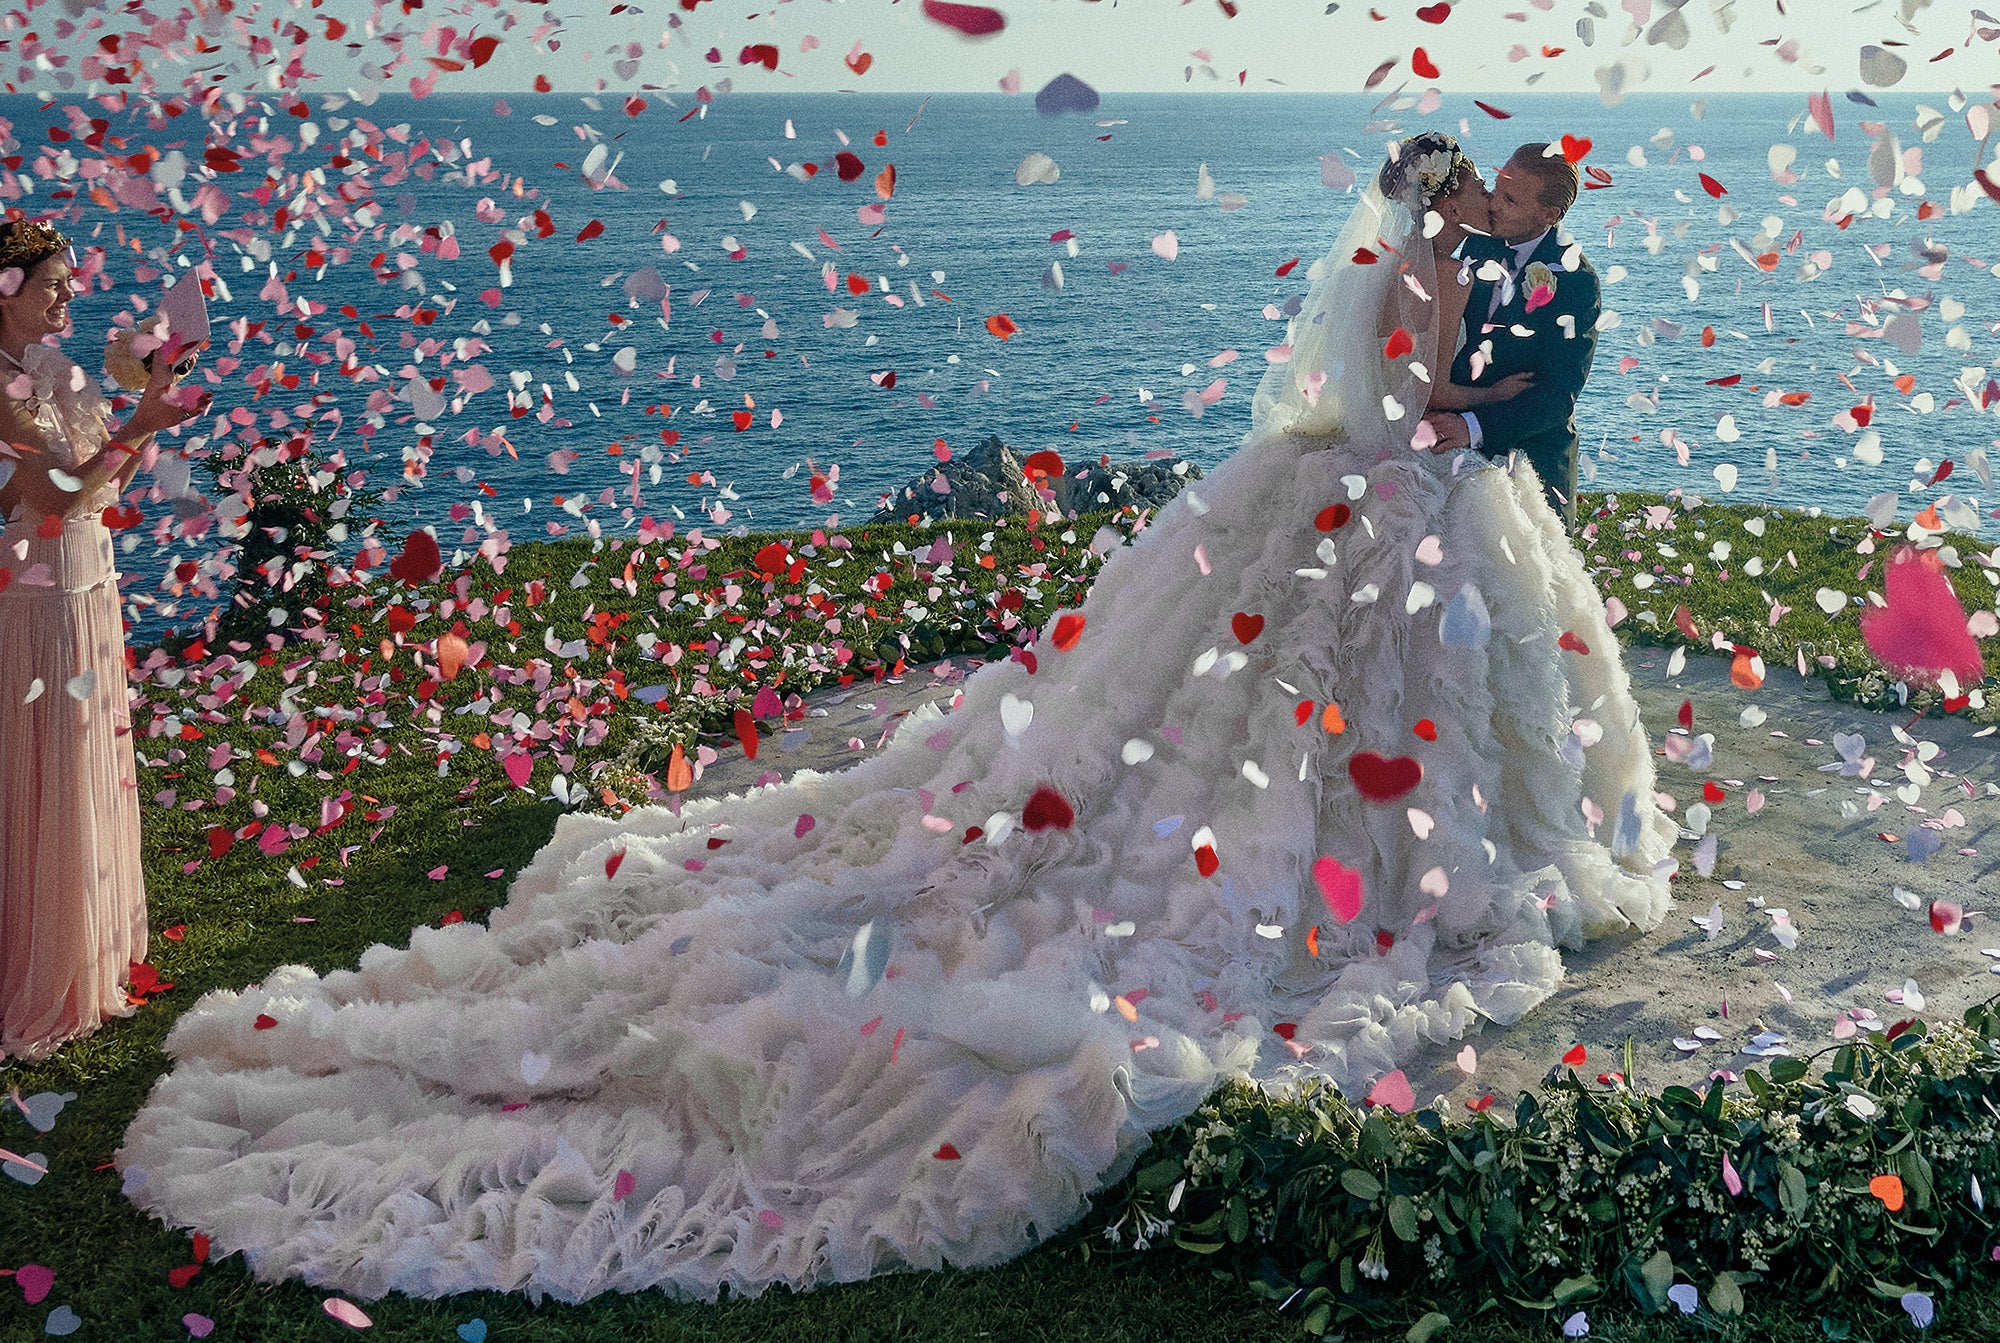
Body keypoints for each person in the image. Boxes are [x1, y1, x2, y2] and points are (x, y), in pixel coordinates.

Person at [117, 134, 1677, 1305]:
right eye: (1471, 195)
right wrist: (1463, 414)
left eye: (1497, 197)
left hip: (1385, 482)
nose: (1485, 210)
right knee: (1353, 698)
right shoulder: (1433, 275)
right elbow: (1425, 392)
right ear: (1443, 203)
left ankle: (1381, 841)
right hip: (1405, 484)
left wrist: (1457, 406)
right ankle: (1395, 862)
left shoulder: (1423, 264)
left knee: (1331, 695)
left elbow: (1402, 379)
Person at [0, 216, 207, 1061]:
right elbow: (54, 500)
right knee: (48, 763)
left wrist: (147, 408)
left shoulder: (52, 371)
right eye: (55, 280)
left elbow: (103, 485)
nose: (72, 292)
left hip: (87, 581)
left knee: (85, 754)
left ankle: (91, 946)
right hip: (36, 597)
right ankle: (43, 963)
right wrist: (146, 417)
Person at [1421, 143, 1599, 528]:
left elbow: (1556, 396)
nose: (1492, 203)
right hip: (1444, 428)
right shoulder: (1477, 240)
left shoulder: (1576, 281)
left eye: (1510, 198)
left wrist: (1472, 427)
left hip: (1528, 450)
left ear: (1548, 215)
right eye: (1497, 187)